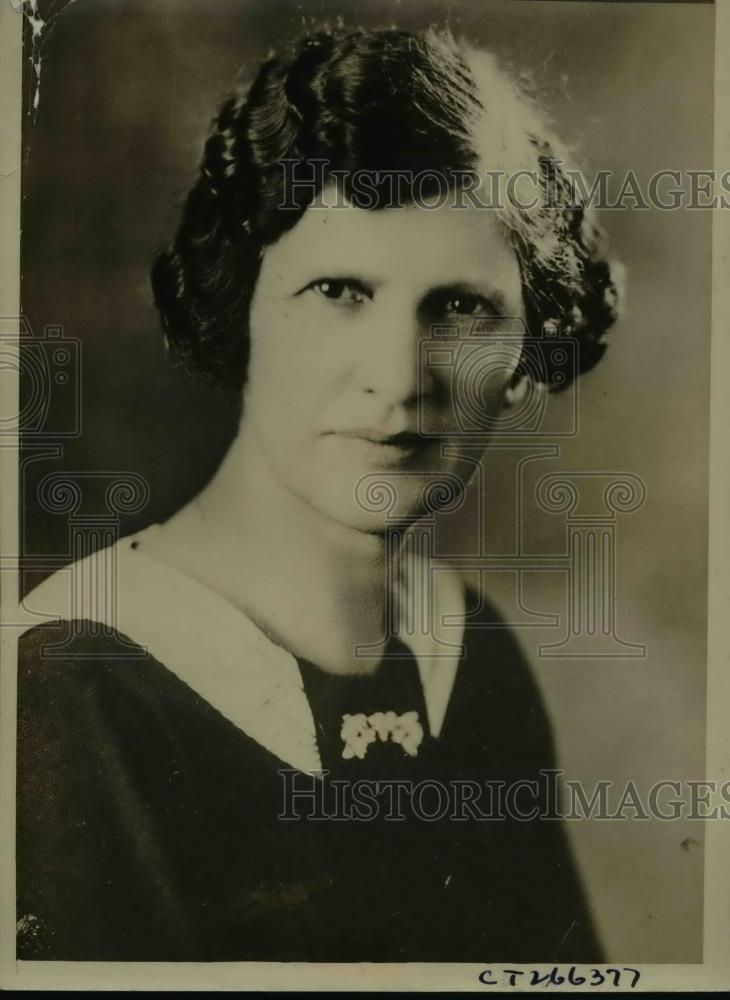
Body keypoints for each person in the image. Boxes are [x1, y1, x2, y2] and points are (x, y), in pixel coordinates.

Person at [16, 25, 621, 961]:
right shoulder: (75, 685)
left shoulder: (470, 654)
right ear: (240, 310)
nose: (398, 377)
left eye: (459, 307)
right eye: (339, 290)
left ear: (525, 356)